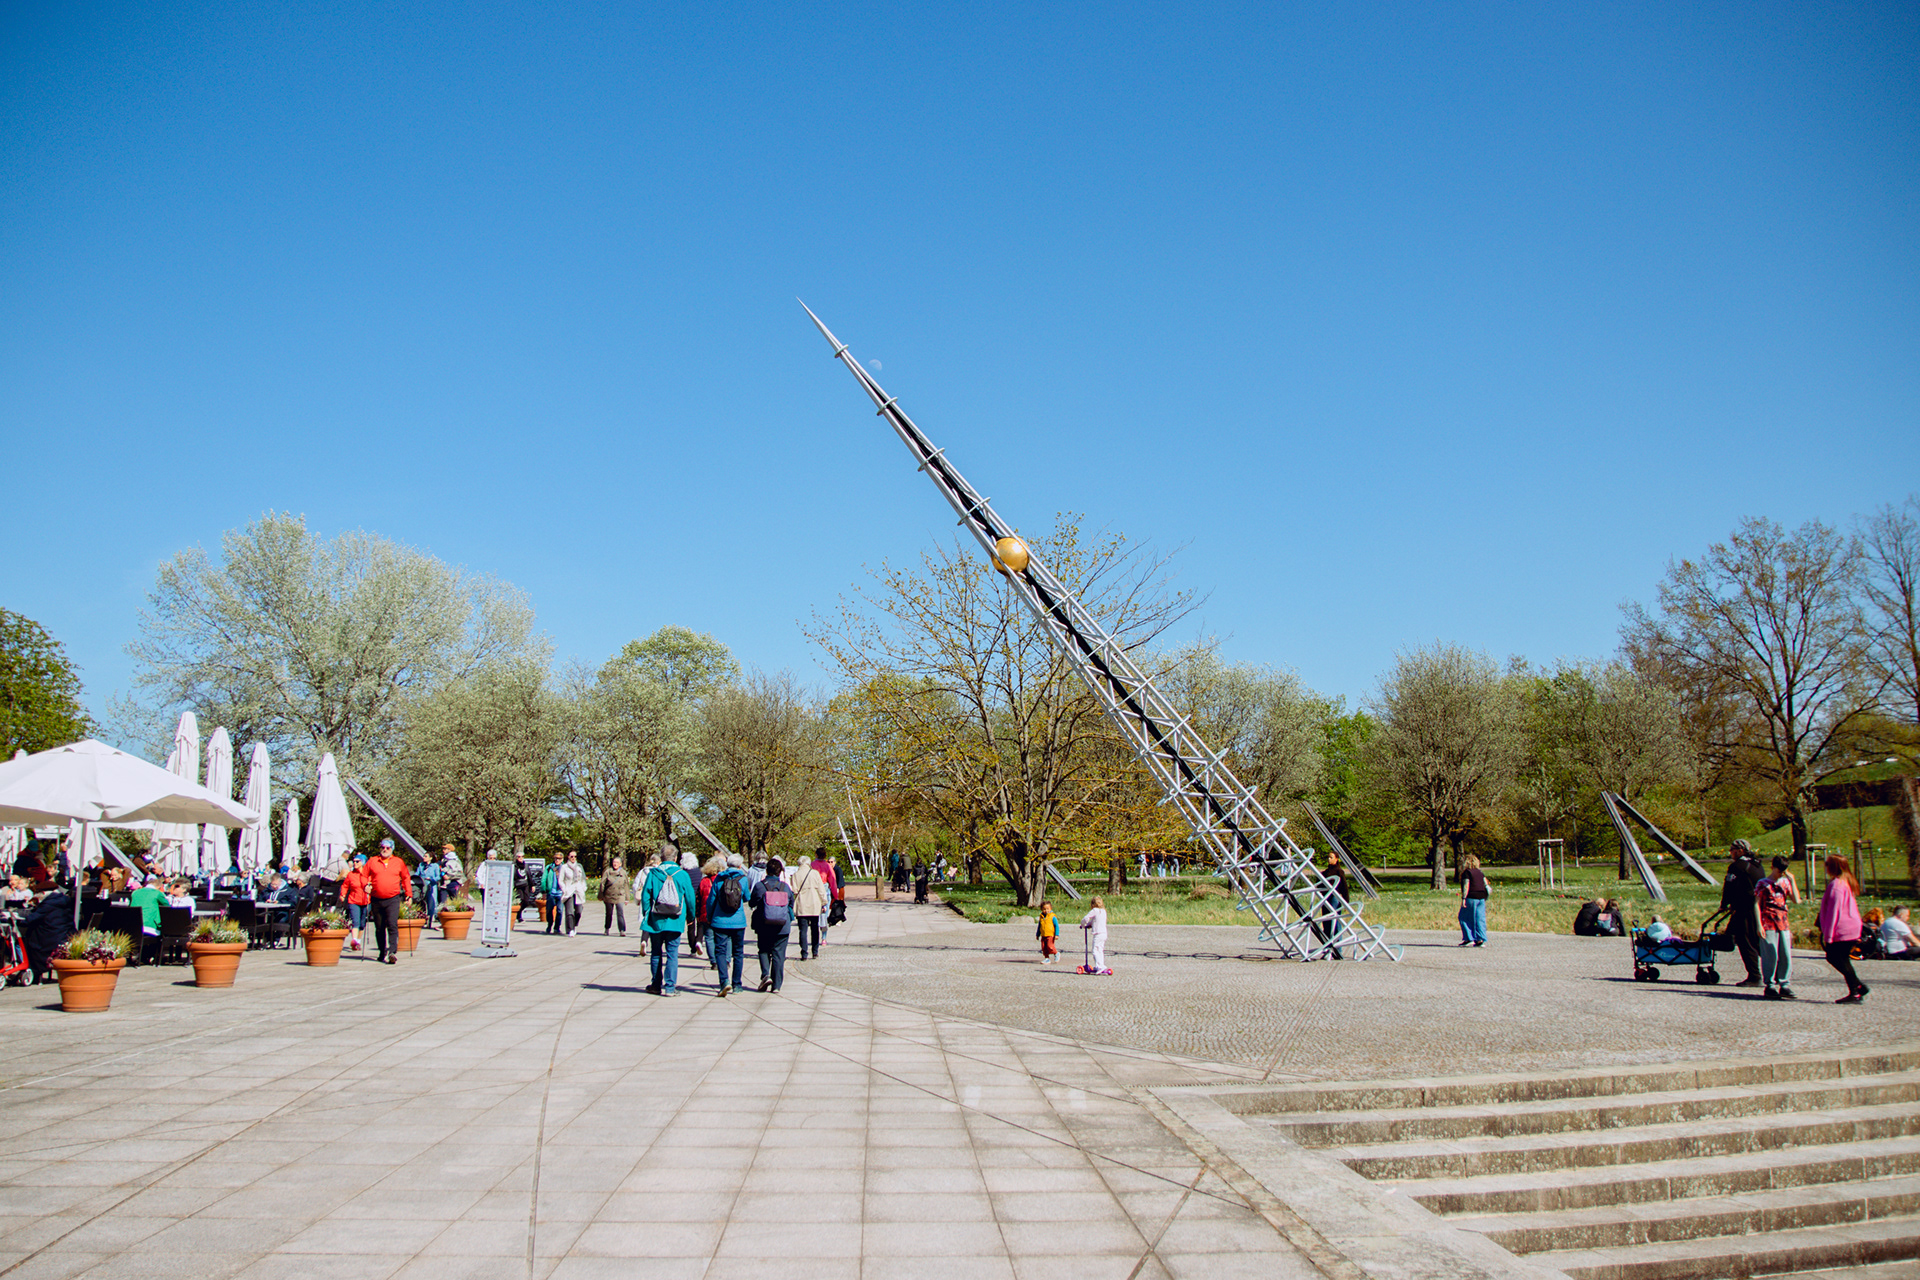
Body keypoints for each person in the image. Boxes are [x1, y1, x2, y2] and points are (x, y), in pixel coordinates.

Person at [1816, 853, 1868, 1004]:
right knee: (1840, 959)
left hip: (1842, 929)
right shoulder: (1846, 882)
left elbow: (1834, 912)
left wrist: (1828, 936)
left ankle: (1856, 990)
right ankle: (1858, 987)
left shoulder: (1836, 886)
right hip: (1851, 926)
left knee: (1837, 958)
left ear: (1833, 867)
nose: (1824, 866)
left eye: (1826, 864)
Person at [639, 851, 693, 996]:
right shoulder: (682, 875)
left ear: (661, 858)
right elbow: (690, 898)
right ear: (675, 858)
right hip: (675, 920)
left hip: (656, 920)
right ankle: (670, 987)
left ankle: (656, 984)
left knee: (656, 953)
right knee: (672, 953)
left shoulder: (653, 874)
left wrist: (646, 913)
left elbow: (646, 896)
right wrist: (691, 917)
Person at [1720, 841, 1766, 986]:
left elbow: (1729, 887)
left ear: (1740, 851)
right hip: (1758, 907)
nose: (1730, 852)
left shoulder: (1736, 867)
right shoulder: (1757, 864)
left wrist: (1724, 905)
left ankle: (1754, 976)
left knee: (1745, 942)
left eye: (1732, 850)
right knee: (1758, 942)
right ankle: (1775, 972)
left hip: (1744, 908)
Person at [705, 854, 750, 996]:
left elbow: (711, 900)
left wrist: (710, 916)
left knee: (720, 951)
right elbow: (747, 897)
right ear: (739, 865)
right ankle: (737, 984)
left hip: (720, 921)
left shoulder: (719, 878)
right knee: (738, 953)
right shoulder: (743, 879)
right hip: (738, 921)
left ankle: (724, 981)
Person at [1756, 856, 1800, 1000]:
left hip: (1783, 922)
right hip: (1768, 922)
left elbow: (1796, 900)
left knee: (1785, 953)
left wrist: (1792, 881)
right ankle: (1770, 984)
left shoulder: (1785, 882)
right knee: (1770, 954)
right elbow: (1756, 903)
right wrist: (1759, 924)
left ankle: (1784, 983)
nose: (1781, 873)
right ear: (1773, 867)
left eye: (1783, 870)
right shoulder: (1763, 884)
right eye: (1779, 870)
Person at [749, 856, 794, 992]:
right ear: (780, 872)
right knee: (779, 954)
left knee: (763, 950)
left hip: (764, 924)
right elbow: (791, 904)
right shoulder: (785, 887)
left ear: (766, 871)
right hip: (782, 925)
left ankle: (765, 974)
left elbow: (752, 903)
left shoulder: (759, 886)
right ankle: (777, 985)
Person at [364, 838, 411, 965]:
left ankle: (392, 951)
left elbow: (406, 878)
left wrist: (409, 895)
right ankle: (381, 951)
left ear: (392, 849)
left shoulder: (398, 862)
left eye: (388, 848)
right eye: (383, 847)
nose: (384, 850)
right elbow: (364, 875)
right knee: (379, 927)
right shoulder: (373, 861)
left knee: (392, 924)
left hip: (393, 898)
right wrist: (365, 885)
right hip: (376, 898)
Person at [790, 855, 829, 960]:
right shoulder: (814, 874)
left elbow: (794, 890)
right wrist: (824, 902)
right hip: (814, 904)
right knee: (814, 928)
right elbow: (821, 890)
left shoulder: (795, 875)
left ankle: (804, 952)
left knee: (802, 930)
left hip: (802, 905)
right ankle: (815, 951)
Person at [129, 874, 167, 965]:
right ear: (159, 887)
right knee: (160, 932)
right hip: (149, 925)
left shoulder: (135, 892)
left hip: (134, 925)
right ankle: (152, 956)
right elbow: (167, 907)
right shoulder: (157, 893)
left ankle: (141, 956)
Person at [341, 853, 373, 954]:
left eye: (357, 861)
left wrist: (371, 888)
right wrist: (342, 895)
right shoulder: (351, 874)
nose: (354, 863)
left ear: (363, 863)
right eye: (354, 861)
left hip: (366, 901)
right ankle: (354, 941)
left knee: (362, 923)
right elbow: (345, 885)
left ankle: (358, 940)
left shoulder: (368, 874)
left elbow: (374, 884)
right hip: (353, 901)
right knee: (356, 921)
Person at [1457, 854, 1489, 947]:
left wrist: (1463, 898)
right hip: (1481, 897)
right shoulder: (1480, 872)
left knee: (1464, 917)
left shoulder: (1467, 873)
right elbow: (1485, 883)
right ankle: (1480, 939)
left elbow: (1466, 885)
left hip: (1471, 897)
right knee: (1480, 918)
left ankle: (1468, 938)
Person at [599, 855, 631, 936]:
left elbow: (626, 885)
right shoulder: (608, 872)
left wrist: (627, 898)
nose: (615, 864)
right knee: (609, 913)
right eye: (614, 862)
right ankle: (607, 928)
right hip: (609, 895)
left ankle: (622, 930)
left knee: (620, 912)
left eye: (617, 862)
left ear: (620, 864)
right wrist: (601, 895)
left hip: (620, 895)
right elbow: (602, 883)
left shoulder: (623, 873)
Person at [558, 851, 587, 937]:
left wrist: (583, 888)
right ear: (568, 857)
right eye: (571, 856)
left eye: (575, 856)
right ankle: (570, 929)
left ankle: (574, 924)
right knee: (569, 911)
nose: (573, 858)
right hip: (569, 890)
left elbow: (583, 879)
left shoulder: (579, 866)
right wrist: (564, 889)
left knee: (578, 911)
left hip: (578, 890)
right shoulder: (564, 867)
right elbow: (561, 880)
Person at [1079, 896, 1110, 973]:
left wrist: (1083, 924)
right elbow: (1095, 921)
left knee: (1095, 950)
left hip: (1098, 934)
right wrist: (1089, 925)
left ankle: (1100, 966)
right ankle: (1100, 965)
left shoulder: (1095, 910)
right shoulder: (1103, 911)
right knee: (1100, 950)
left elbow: (1086, 918)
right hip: (1104, 933)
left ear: (1092, 904)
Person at [417, 852, 444, 926]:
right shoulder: (421, 865)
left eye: (426, 856)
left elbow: (438, 877)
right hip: (423, 886)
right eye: (424, 856)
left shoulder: (435, 866)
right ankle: (423, 918)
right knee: (422, 902)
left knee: (432, 903)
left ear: (430, 858)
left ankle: (432, 918)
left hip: (431, 886)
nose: (424, 858)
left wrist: (431, 879)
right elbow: (417, 874)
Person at [541, 858, 563, 935]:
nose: (557, 860)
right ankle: (549, 925)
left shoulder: (564, 868)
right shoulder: (549, 867)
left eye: (559, 859)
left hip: (561, 893)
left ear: (562, 859)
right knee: (549, 910)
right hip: (551, 892)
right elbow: (544, 879)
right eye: (556, 859)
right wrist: (543, 890)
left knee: (560, 911)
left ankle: (557, 928)